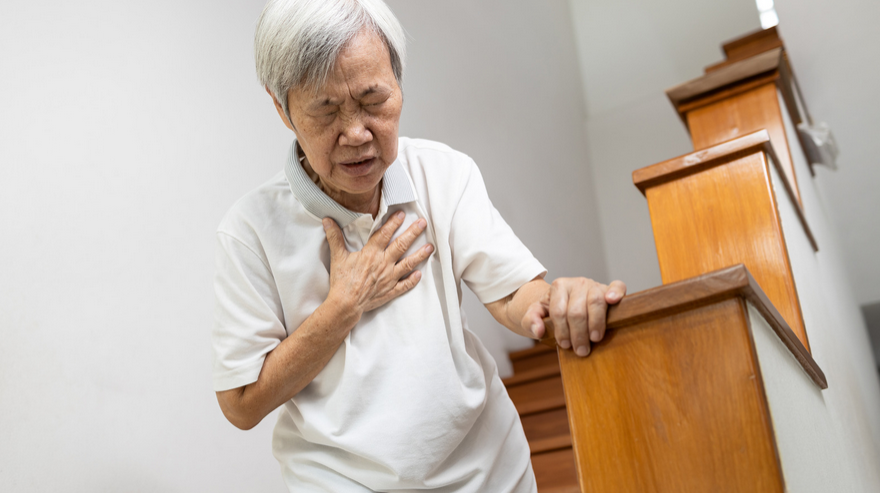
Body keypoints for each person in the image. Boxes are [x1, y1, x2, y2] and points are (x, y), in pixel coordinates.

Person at [211, 0, 626, 491]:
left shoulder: (444, 173)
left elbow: (514, 295)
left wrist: (560, 301)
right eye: (326, 111)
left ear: (399, 85)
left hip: (488, 472)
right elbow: (240, 403)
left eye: (373, 101)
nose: (358, 133)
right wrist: (343, 306)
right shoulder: (250, 230)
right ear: (282, 109)